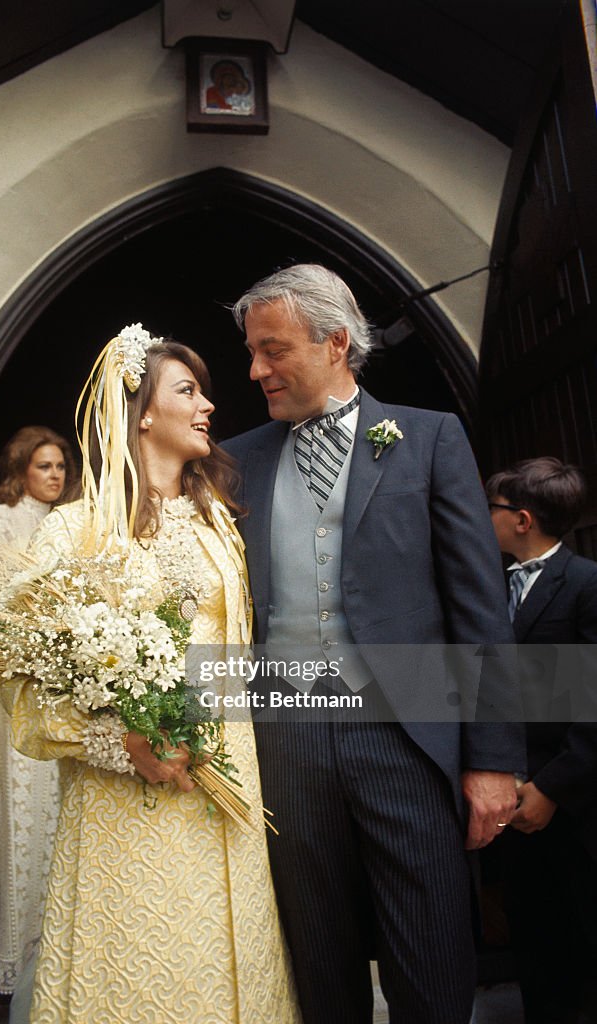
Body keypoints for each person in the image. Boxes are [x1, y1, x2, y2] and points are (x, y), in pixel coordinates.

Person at [224, 264, 526, 1024]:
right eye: (252, 352)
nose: (256, 369)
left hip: (404, 736)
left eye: (272, 349)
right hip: (283, 744)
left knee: (428, 953)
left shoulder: (428, 439)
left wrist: (492, 758)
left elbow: (477, 607)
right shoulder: (234, 460)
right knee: (314, 958)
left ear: (334, 342)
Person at [6, 328, 300, 1023]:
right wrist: (124, 745)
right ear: (140, 412)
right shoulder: (72, 532)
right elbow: (21, 682)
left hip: (230, 783)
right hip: (127, 807)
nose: (207, 406)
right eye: (188, 391)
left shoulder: (219, 523)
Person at [0, 426, 75, 994]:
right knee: (18, 807)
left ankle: (55, 936)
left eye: (60, 466)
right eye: (43, 466)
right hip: (14, 688)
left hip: (63, 689)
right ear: (20, 471)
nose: (55, 475)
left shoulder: (70, 523)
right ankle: (12, 940)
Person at [486, 457, 597, 1024]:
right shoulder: (489, 585)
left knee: (581, 939)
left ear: (522, 519)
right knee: (534, 941)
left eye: (495, 509)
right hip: (509, 791)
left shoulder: (585, 585)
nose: (487, 518)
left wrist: (551, 788)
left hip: (573, 804)